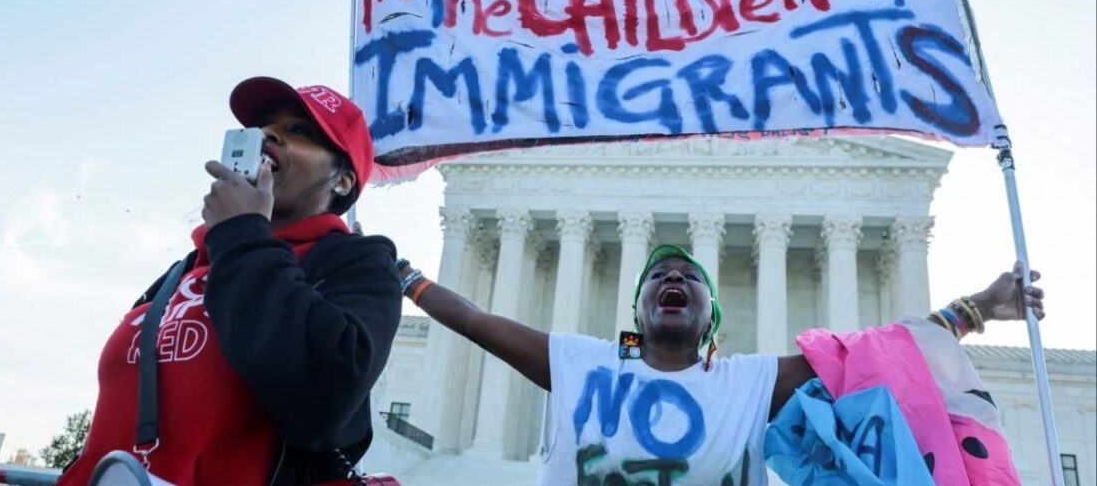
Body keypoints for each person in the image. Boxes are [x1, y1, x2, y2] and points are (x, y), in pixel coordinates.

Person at [397, 244, 1045, 484]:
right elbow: (476, 321)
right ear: (639, 308)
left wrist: (978, 308)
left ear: (711, 318)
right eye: (658, 276)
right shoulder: (587, 362)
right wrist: (406, 278)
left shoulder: (744, 380)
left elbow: (871, 356)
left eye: (688, 278)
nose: (672, 279)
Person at [58, 78, 402, 486]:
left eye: (299, 130)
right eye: (262, 126)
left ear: (342, 181)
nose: (268, 134)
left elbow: (323, 395)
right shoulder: (182, 271)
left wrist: (242, 232)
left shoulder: (357, 264)